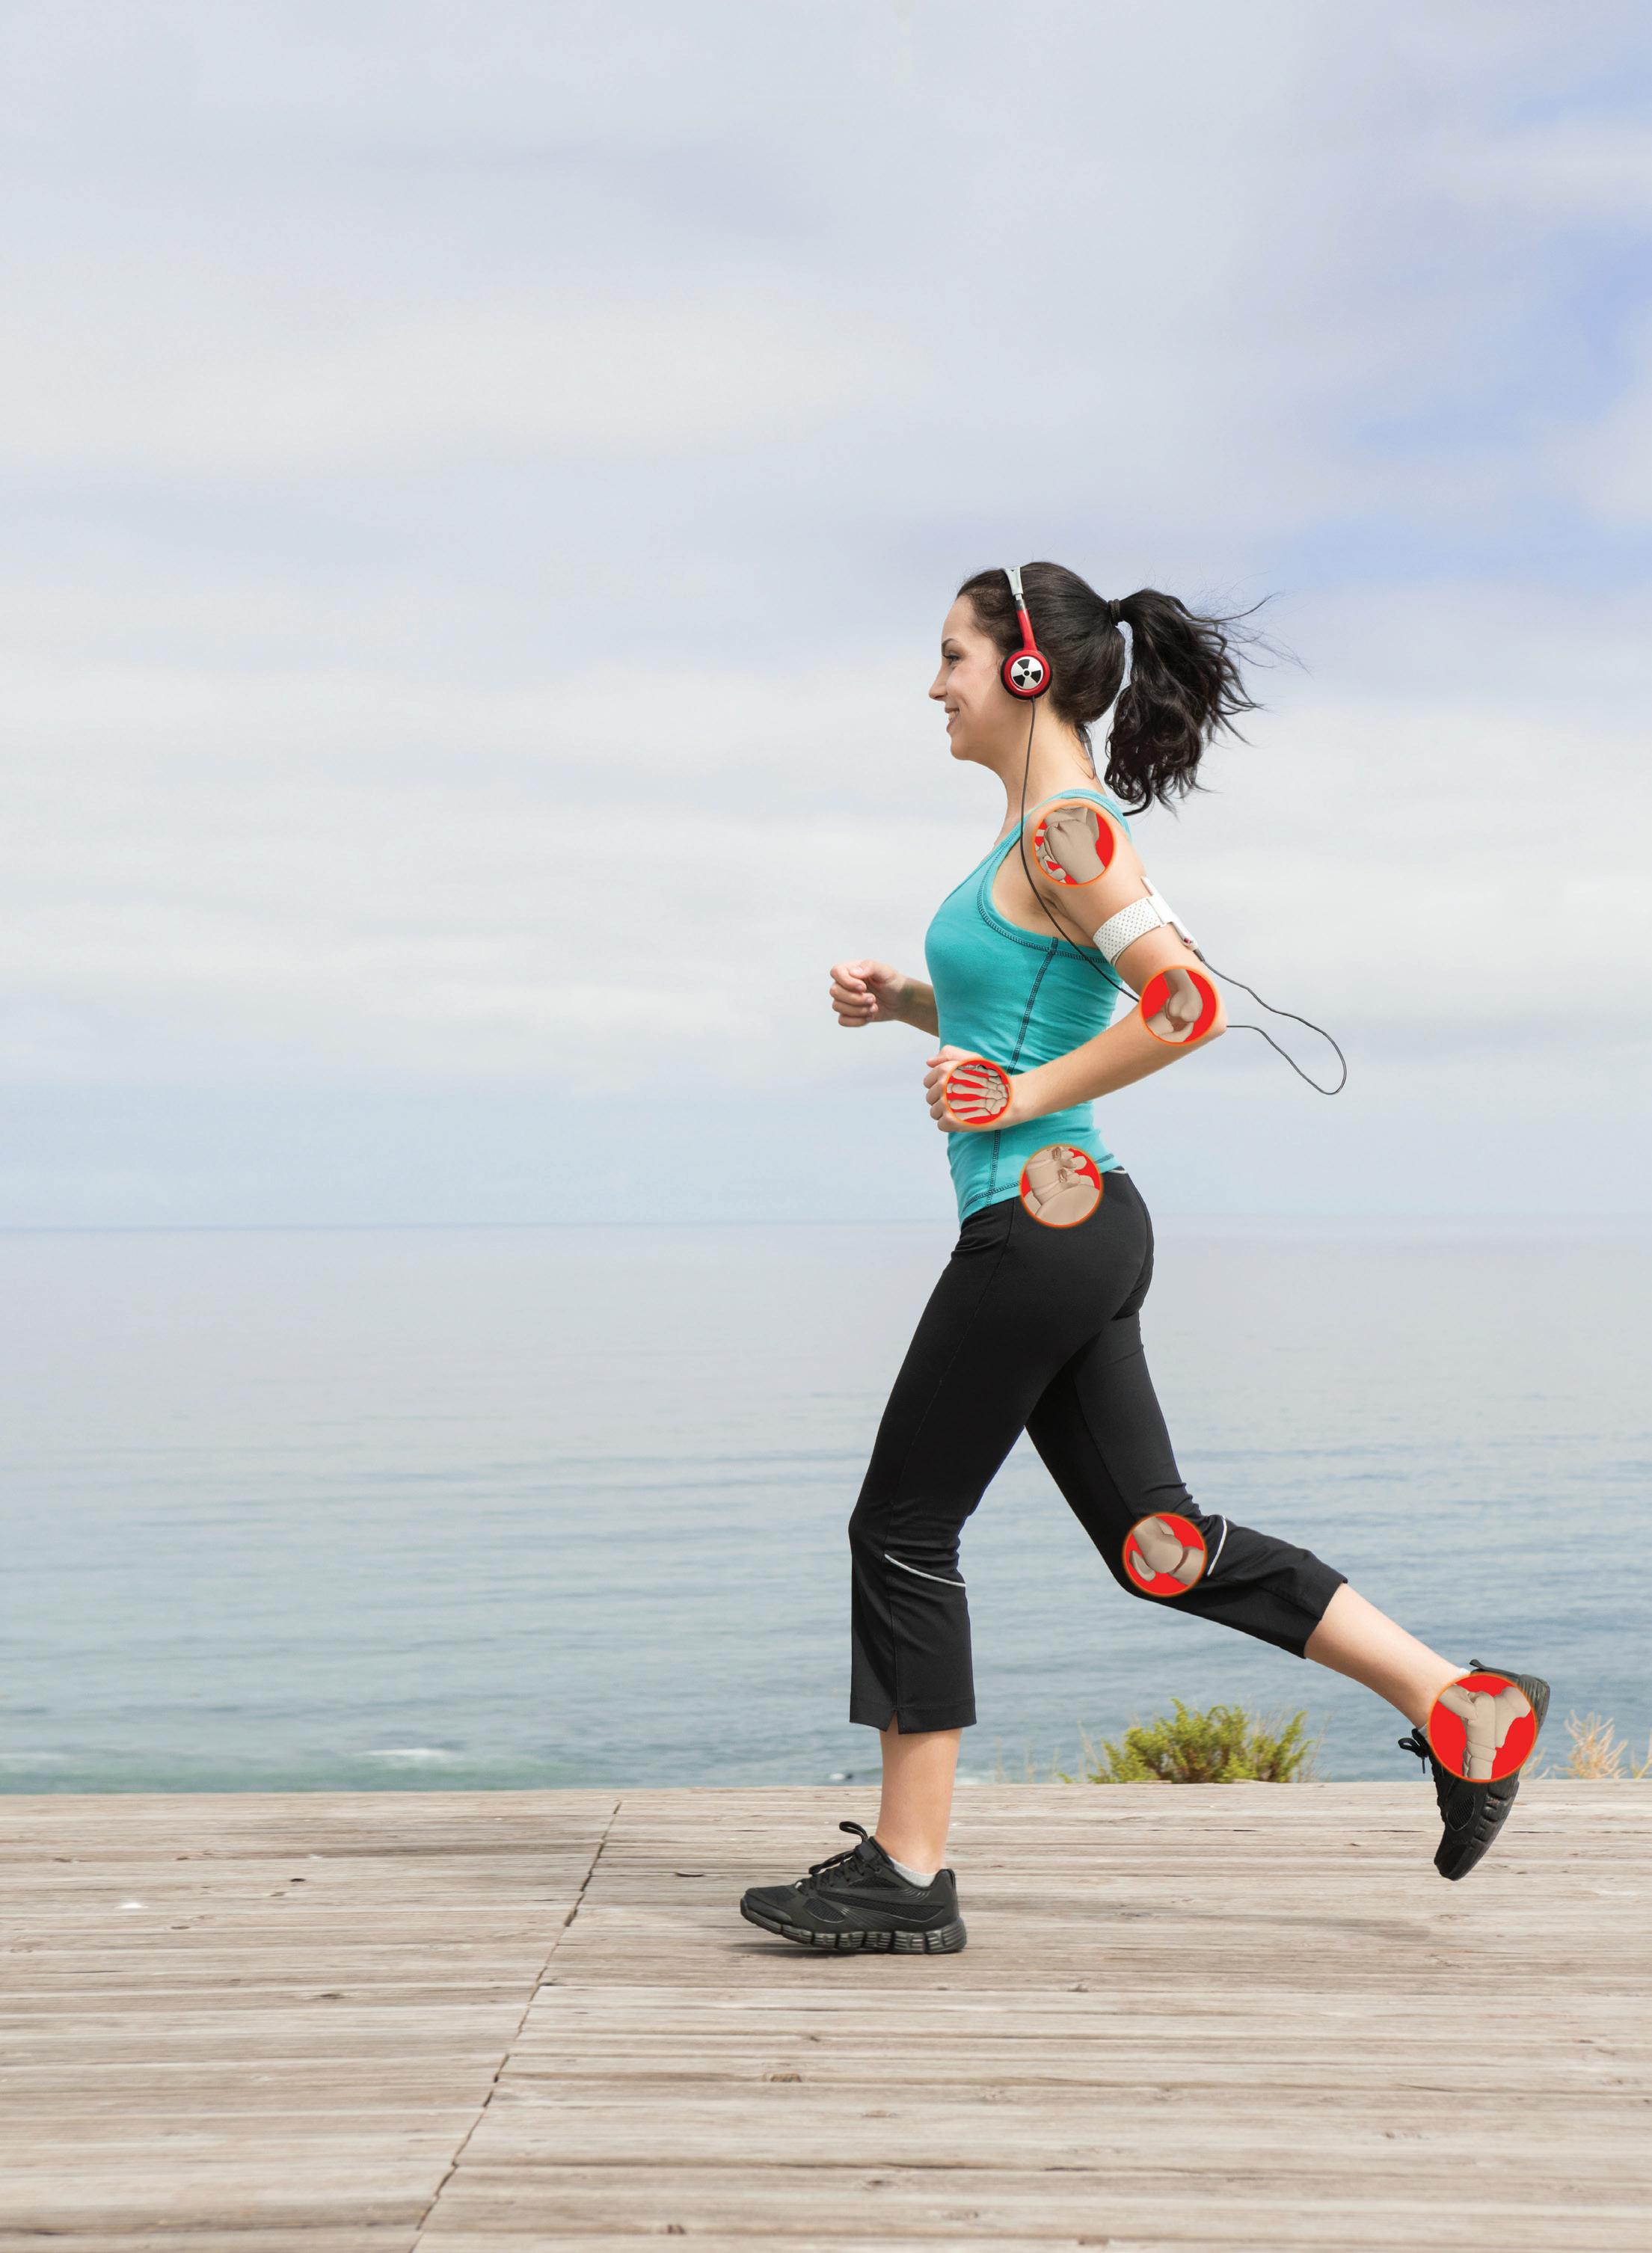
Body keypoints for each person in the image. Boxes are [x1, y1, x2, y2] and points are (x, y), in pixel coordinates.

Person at [738, 562, 1547, 1955]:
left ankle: (907, 1873)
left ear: (1025, 669)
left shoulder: (1064, 829)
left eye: (950, 656)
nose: (932, 686)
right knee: (1155, 1547)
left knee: (901, 1527)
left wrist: (1017, 1096)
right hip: (1078, 1225)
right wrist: (911, 1003)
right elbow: (1045, 1000)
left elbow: (1186, 1001)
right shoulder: (1034, 837)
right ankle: (1464, 1707)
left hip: (1042, 1221)